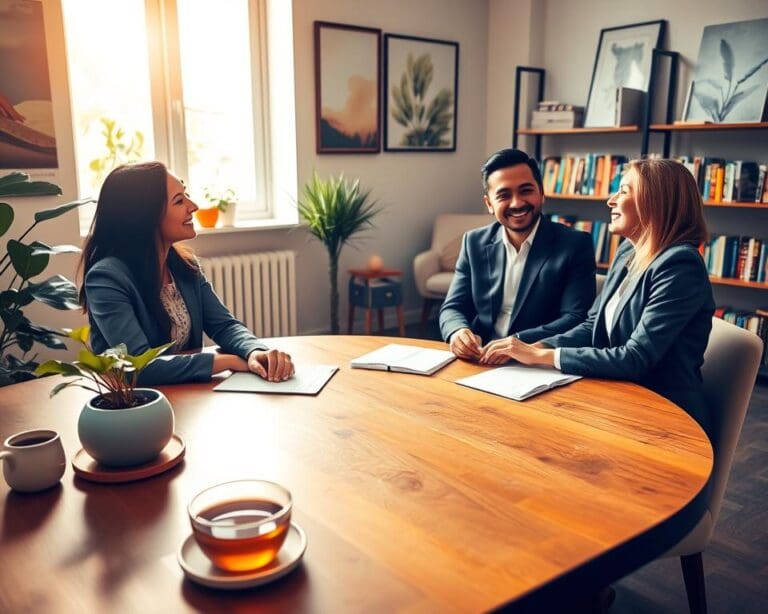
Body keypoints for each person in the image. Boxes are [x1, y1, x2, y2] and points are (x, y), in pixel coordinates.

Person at [487, 158, 714, 432]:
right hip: (619, 397)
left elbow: (635, 358)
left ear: (656, 200)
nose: (611, 200)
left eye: (624, 191)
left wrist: (543, 357)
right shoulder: (628, 252)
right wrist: (535, 346)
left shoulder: (680, 265)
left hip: (663, 416)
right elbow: (592, 326)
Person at [80, 161, 295, 385]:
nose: (193, 206)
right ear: (146, 216)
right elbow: (138, 367)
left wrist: (253, 351)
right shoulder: (106, 279)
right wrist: (227, 362)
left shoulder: (185, 266)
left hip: (187, 392)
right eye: (179, 201)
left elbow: (224, 325)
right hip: (136, 405)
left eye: (187, 195)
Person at [440, 148, 596, 360]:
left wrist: (517, 344)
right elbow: (453, 307)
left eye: (525, 191)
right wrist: (457, 331)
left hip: (536, 361)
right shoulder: (473, 242)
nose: (517, 203)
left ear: (541, 193)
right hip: (480, 359)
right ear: (489, 204)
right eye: (504, 195)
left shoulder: (575, 244)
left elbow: (575, 318)